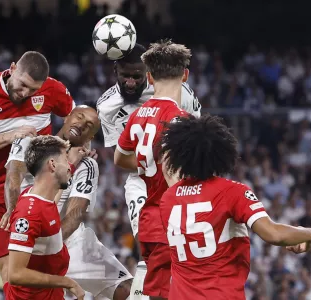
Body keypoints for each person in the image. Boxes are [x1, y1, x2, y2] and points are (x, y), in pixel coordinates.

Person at [158, 115, 311, 300]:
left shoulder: (168, 199)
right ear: (221, 152)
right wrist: (309, 233)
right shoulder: (232, 192)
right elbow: (274, 234)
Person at [0, 51, 75, 286]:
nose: (25, 94)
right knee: (11, 277)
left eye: (33, 90)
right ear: (12, 68)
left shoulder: (53, 90)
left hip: (39, 195)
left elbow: (77, 118)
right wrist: (10, 136)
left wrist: (68, 150)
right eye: (22, 85)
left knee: (40, 271)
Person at [97, 43, 201, 299]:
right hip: (142, 183)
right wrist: (148, 163)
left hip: (177, 182)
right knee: (156, 247)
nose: (131, 82)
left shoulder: (181, 96)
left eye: (137, 76)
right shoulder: (107, 106)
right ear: (115, 71)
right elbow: (121, 160)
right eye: (125, 76)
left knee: (173, 251)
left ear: (150, 75)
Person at [4, 105, 134, 300]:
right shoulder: (30, 141)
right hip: (27, 235)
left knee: (128, 291)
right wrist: (13, 216)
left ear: (90, 138)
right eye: (79, 117)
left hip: (67, 240)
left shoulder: (88, 164)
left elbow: (75, 215)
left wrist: (54, 247)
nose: (81, 125)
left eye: (89, 126)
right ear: (66, 118)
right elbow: (12, 180)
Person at [7, 135, 85, 300]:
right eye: (65, 160)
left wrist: (72, 162)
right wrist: (67, 282)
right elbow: (14, 274)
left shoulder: (40, 198)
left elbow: (51, 202)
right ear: (52, 164)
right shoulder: (28, 215)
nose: (69, 169)